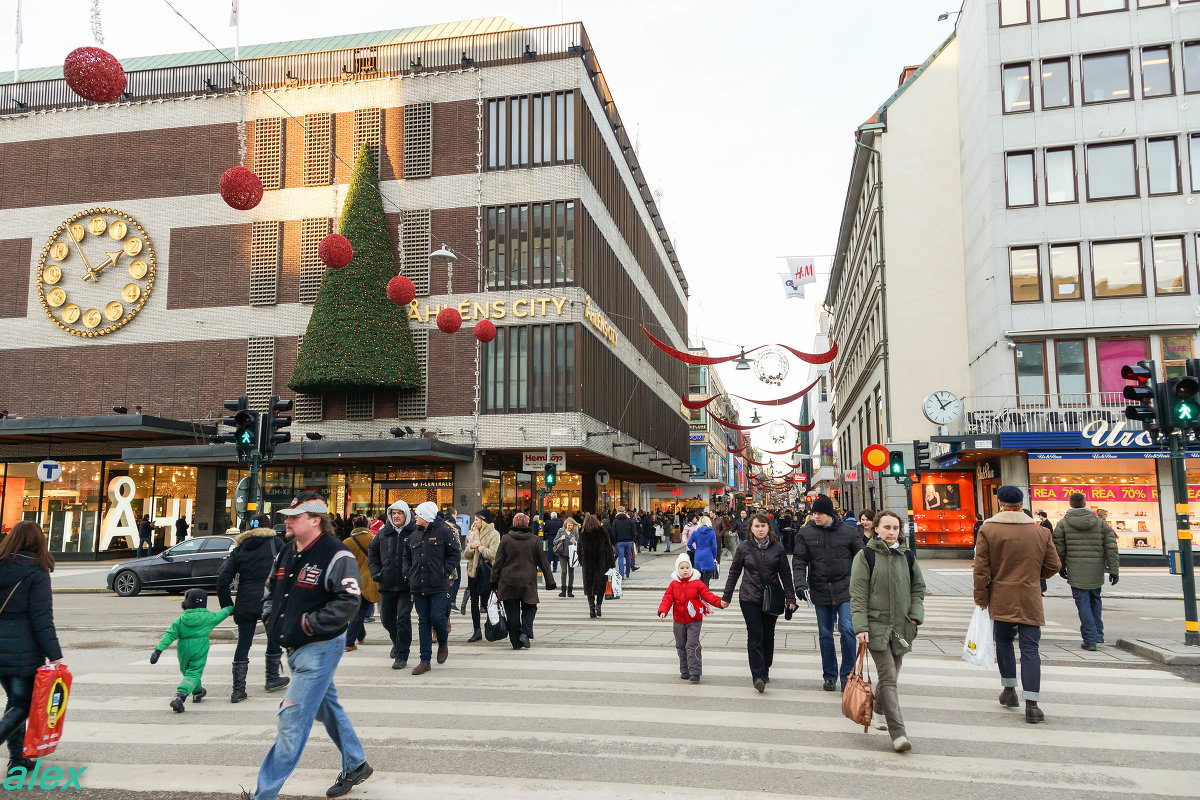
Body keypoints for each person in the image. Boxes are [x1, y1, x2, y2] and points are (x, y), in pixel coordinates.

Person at [245, 491, 371, 800]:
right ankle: (356, 764)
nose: (286, 522)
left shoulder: (336, 554)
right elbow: (272, 588)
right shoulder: (287, 550)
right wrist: (269, 617)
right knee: (326, 706)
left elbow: (348, 602)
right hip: (295, 646)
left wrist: (306, 624)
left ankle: (264, 795)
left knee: (291, 720)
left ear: (315, 521)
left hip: (320, 647)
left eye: (293, 517)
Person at [974, 485, 1061, 724]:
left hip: (1000, 594)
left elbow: (981, 568)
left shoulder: (988, 529)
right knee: (1030, 648)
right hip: (1029, 595)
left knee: (1003, 640)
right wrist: (1034, 575)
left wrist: (981, 597)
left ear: (1000, 503)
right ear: (1022, 503)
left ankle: (1009, 691)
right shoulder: (1040, 532)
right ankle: (1032, 705)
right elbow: (1054, 565)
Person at [849, 510, 926, 752]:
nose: (891, 532)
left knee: (893, 673)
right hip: (876, 626)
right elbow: (858, 594)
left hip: (902, 627)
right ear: (876, 529)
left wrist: (915, 617)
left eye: (895, 528)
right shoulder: (865, 556)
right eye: (887, 528)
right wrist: (861, 627)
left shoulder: (907, 556)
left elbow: (918, 589)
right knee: (889, 677)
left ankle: (879, 709)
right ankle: (899, 733)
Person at [0, 521, 63, 775]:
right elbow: (42, 618)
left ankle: (18, 758)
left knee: (16, 702)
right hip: (21, 651)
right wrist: (55, 654)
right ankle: (16, 756)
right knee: (22, 704)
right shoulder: (36, 572)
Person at [793, 494, 863, 691]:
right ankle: (829, 675)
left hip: (846, 588)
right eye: (814, 513)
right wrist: (800, 584)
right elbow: (798, 561)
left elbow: (862, 558)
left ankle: (848, 675)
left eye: (820, 513)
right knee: (825, 633)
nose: (816, 516)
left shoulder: (849, 533)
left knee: (848, 629)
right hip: (820, 588)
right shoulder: (805, 533)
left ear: (830, 513)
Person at [217, 513, 289, 703]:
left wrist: (227, 605)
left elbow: (222, 579)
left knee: (244, 644)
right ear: (268, 526)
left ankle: (238, 689)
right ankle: (272, 678)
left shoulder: (240, 549)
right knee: (273, 636)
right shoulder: (276, 544)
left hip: (245, 602)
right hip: (270, 600)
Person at [722, 513, 797, 692]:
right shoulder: (744, 548)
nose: (760, 529)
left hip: (771, 597)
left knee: (768, 635)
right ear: (751, 528)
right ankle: (758, 674)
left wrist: (790, 598)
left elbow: (786, 574)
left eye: (763, 526)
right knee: (755, 635)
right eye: (757, 526)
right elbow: (734, 573)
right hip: (749, 597)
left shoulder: (777, 548)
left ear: (768, 528)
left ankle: (766, 667)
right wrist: (727, 596)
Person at [1052, 492, 1119, 651]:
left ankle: (1090, 638)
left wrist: (1060, 567)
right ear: (1085, 503)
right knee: (1095, 600)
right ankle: (1097, 634)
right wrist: (1114, 570)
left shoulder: (1063, 524)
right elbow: (1111, 547)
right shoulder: (1100, 523)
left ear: (1070, 504)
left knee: (1083, 604)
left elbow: (1059, 549)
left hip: (1075, 569)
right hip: (1096, 570)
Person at [150, 588, 234, 712]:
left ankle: (198, 691)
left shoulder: (181, 619)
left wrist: (158, 650)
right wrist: (232, 608)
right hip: (200, 647)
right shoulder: (209, 617)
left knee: (187, 671)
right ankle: (180, 696)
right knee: (194, 672)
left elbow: (169, 634)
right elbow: (223, 613)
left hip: (183, 648)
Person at [403, 502, 460, 675]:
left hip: (438, 585)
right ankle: (424, 660)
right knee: (423, 622)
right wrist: (408, 574)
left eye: (418, 514)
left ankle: (443, 642)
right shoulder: (413, 535)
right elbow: (406, 557)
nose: (415, 517)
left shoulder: (444, 531)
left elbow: (455, 553)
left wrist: (445, 570)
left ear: (426, 516)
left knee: (438, 617)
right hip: (418, 585)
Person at [491, 512, 556, 648]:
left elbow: (498, 562)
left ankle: (515, 642)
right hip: (528, 582)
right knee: (530, 607)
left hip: (508, 582)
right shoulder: (534, 540)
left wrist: (493, 581)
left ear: (514, 523)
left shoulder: (506, 539)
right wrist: (550, 581)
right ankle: (525, 632)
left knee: (512, 613)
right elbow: (543, 562)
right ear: (527, 524)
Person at [659, 554, 727, 683]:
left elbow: (708, 595)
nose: (685, 570)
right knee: (680, 645)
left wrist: (720, 602)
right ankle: (685, 670)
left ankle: (695, 672)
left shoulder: (697, 583)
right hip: (678, 620)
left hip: (694, 620)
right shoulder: (673, 585)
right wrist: (663, 611)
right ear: (677, 570)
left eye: (687, 567)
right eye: (682, 568)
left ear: (691, 568)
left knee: (692, 644)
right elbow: (667, 599)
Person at [367, 500, 415, 670]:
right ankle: (397, 642)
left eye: (399, 513)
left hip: (406, 586)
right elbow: (372, 551)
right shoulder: (383, 533)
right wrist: (376, 572)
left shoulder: (414, 532)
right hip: (386, 583)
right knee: (386, 619)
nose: (396, 516)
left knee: (403, 618)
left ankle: (402, 655)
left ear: (406, 515)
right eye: (393, 513)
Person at [341, 517, 380, 652]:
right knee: (361, 610)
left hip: (352, 580)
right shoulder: (374, 539)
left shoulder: (347, 542)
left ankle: (360, 635)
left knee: (356, 610)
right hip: (369, 580)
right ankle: (349, 641)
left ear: (353, 525)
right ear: (367, 525)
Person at [464, 510, 500, 642]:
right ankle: (476, 631)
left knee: (488, 602)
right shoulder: (474, 533)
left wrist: (480, 548)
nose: (475, 522)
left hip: (486, 572)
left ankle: (492, 628)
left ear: (483, 521)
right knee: (474, 602)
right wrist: (472, 547)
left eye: (477, 520)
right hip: (473, 572)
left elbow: (493, 554)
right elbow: (467, 554)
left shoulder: (494, 534)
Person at [577, 514, 616, 618]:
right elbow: (609, 550)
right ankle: (598, 605)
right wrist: (611, 564)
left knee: (589, 588)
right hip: (601, 564)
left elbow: (579, 551)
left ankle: (591, 609)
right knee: (601, 586)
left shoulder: (583, 535)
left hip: (588, 565)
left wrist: (582, 562)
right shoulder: (603, 533)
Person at [686, 517, 719, 586]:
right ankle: (705, 595)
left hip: (698, 557)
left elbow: (689, 543)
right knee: (706, 581)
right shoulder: (711, 533)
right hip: (708, 556)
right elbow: (714, 546)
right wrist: (714, 555)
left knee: (699, 580)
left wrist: (695, 551)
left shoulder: (695, 532)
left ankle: (700, 595)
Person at [554, 518, 580, 598]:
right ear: (566, 525)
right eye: (569, 525)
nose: (570, 527)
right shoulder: (561, 531)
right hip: (563, 554)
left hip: (572, 555)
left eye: (571, 525)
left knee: (571, 573)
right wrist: (560, 539)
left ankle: (570, 590)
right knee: (564, 571)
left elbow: (579, 543)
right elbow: (554, 542)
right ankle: (563, 590)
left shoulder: (575, 532)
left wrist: (575, 542)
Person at [611, 507, 637, 579]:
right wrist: (632, 539)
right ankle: (627, 572)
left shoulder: (615, 521)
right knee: (628, 557)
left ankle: (621, 574)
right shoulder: (629, 521)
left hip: (619, 542)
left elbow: (613, 532)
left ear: (617, 511)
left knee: (620, 558)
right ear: (624, 511)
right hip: (628, 541)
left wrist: (614, 541)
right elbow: (634, 531)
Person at [543, 511, 564, 578]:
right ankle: (555, 567)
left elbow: (544, 530)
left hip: (549, 538)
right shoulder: (561, 523)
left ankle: (548, 566)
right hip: (558, 538)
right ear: (556, 516)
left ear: (551, 517)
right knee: (556, 552)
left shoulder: (548, 522)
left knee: (549, 552)